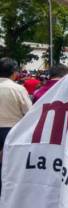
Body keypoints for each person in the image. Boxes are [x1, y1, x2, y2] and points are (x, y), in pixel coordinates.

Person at [0, 57, 32, 194]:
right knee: (10, 165)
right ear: (14, 73)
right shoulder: (18, 89)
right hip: (12, 131)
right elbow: (29, 112)